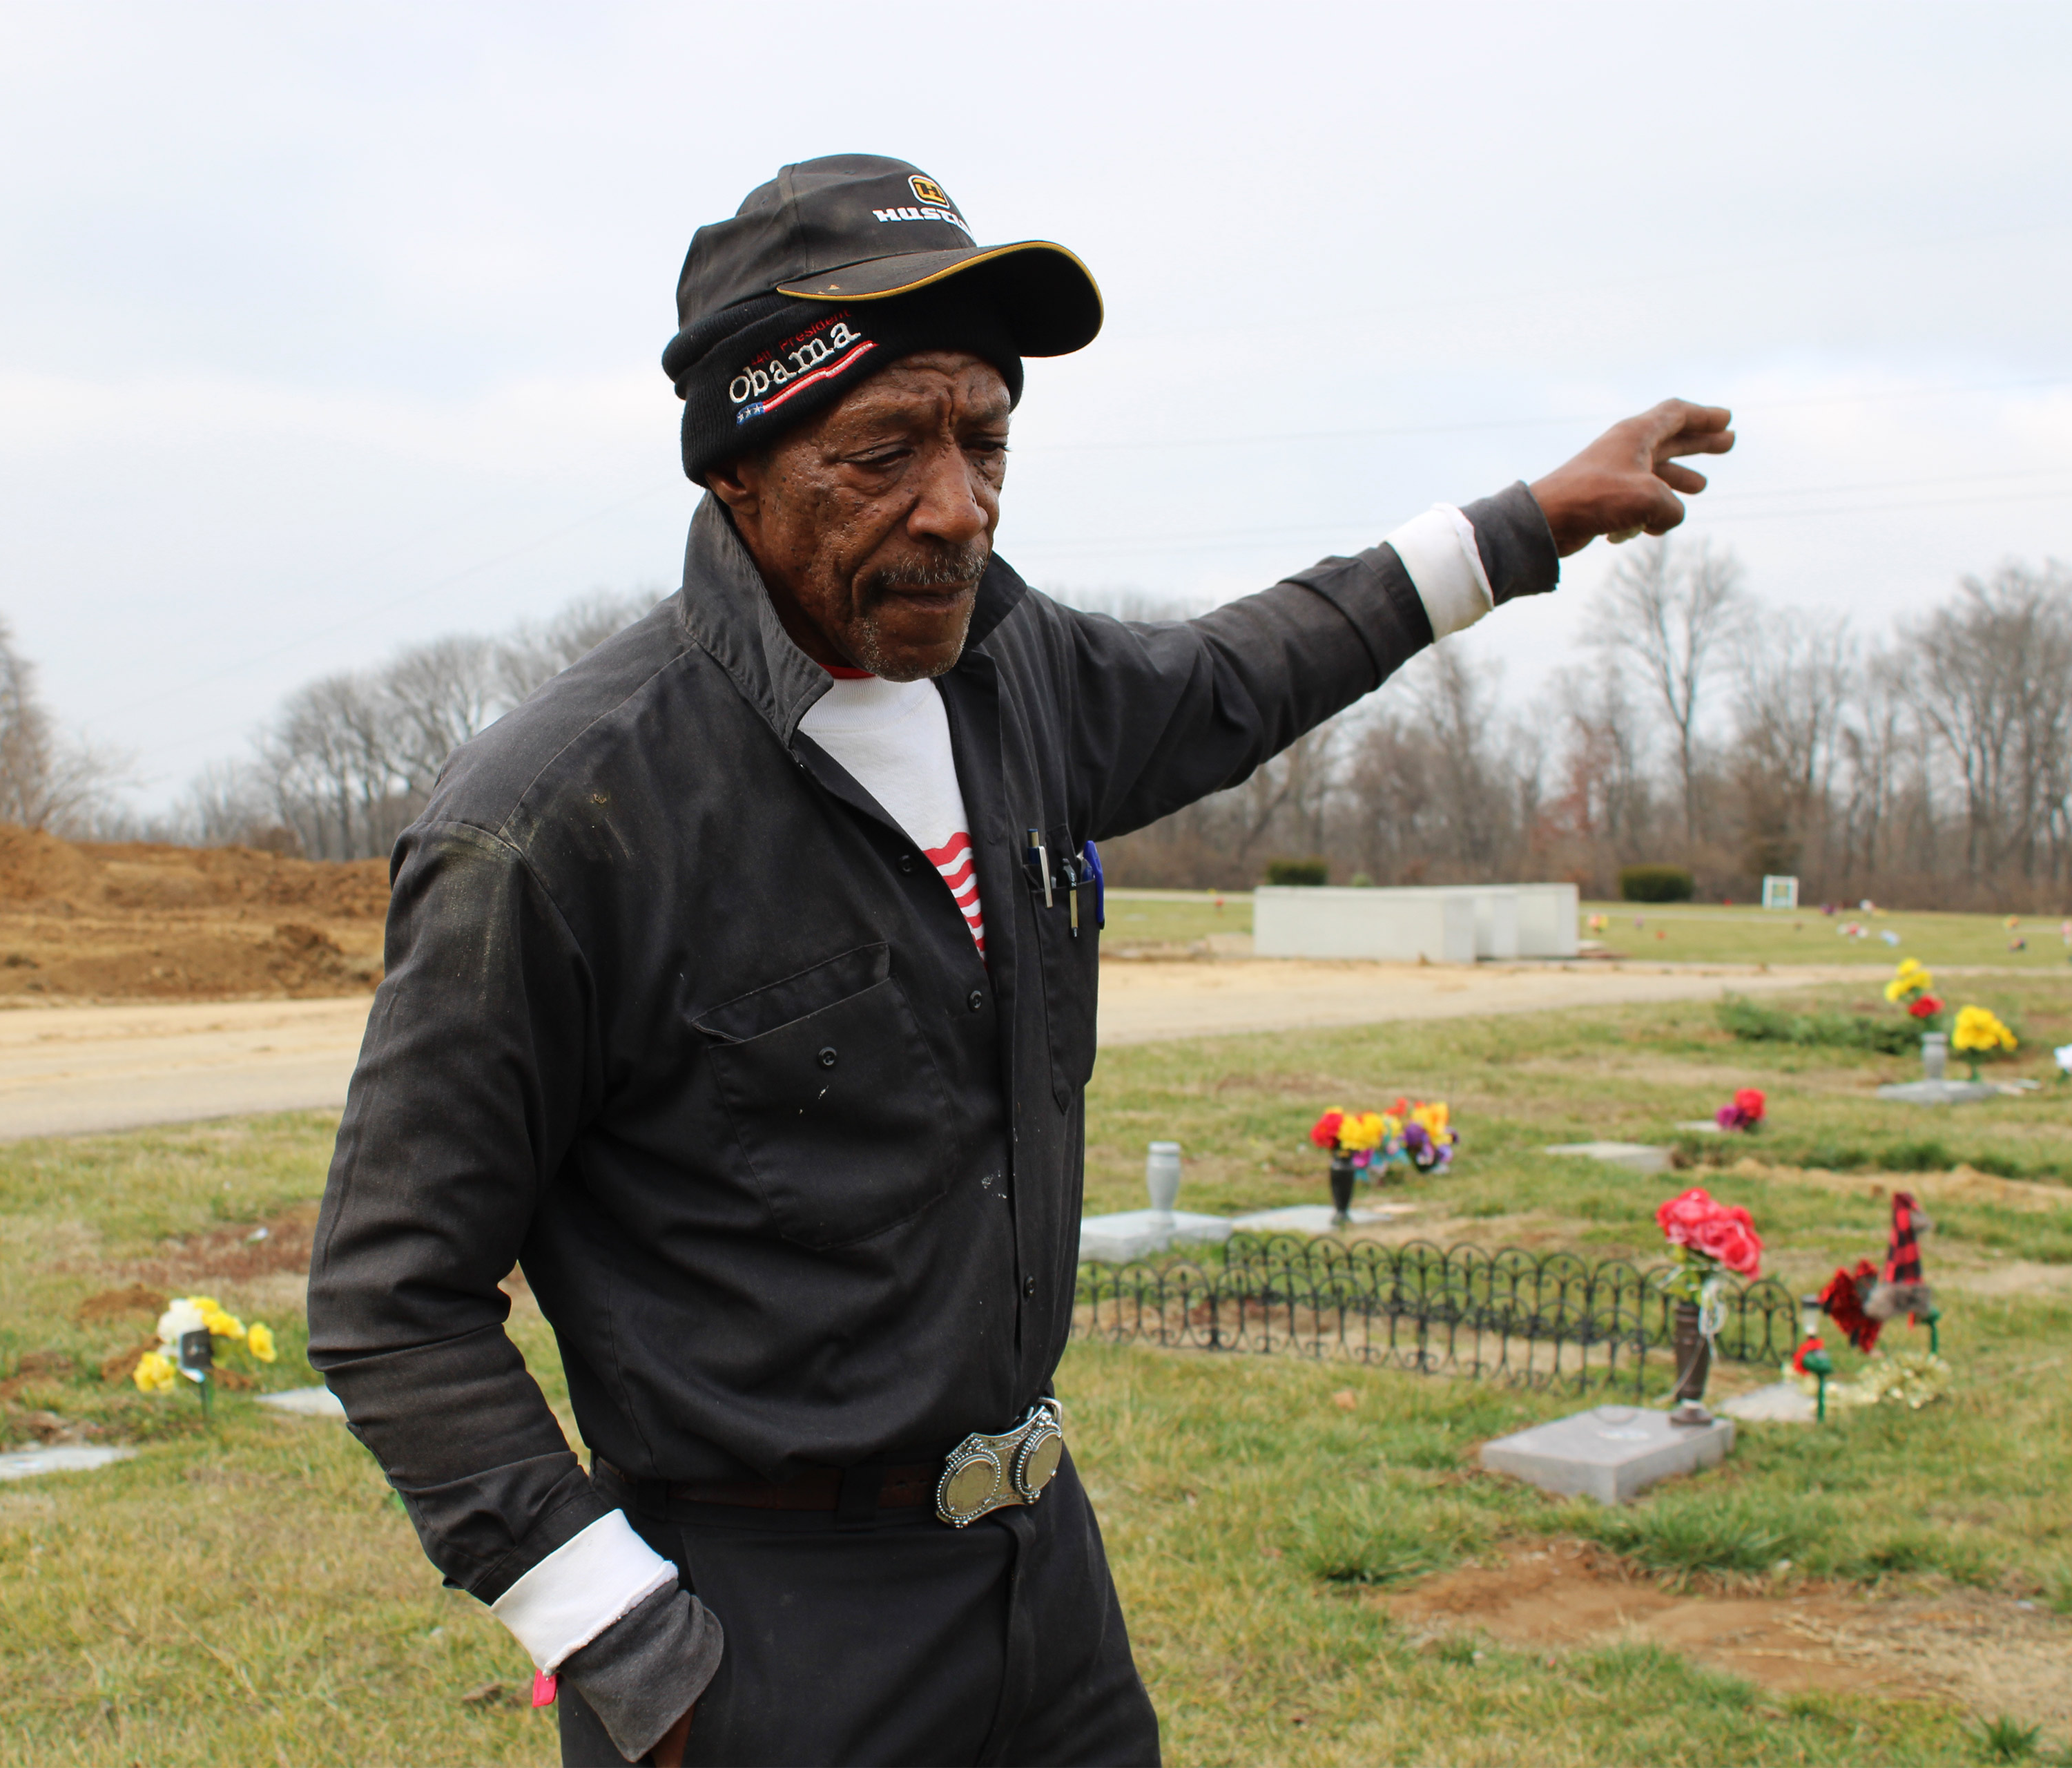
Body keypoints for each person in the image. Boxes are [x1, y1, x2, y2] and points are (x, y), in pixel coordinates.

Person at [307, 153, 1732, 1767]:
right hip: (763, 1633)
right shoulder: (561, 823)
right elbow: (390, 1292)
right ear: (737, 471)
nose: (958, 506)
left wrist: (1524, 521)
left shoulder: (1015, 676)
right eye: (884, 450)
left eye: (986, 440)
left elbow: (1243, 669)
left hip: (1042, 1584)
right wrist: (624, 1641)